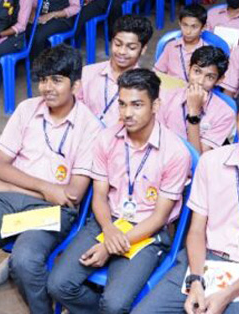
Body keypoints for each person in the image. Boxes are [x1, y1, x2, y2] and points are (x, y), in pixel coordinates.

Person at [131, 84, 239, 314]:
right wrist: (196, 281)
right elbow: (196, 231)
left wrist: (226, 294)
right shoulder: (211, 163)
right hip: (203, 261)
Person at [0, 45, 99, 310]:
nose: (47, 88)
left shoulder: (90, 126)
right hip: (7, 200)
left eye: (57, 80)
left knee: (25, 261)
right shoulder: (26, 109)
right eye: (43, 80)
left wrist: (8, 185)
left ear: (75, 85)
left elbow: (72, 194)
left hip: (49, 210)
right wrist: (45, 188)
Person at [47, 67, 191, 314]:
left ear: (155, 105)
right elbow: (99, 197)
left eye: (137, 105)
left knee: (114, 304)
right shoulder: (106, 138)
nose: (127, 113)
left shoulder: (176, 153)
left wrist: (108, 246)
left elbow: (159, 217)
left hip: (147, 231)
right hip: (108, 219)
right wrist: (109, 230)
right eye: (122, 104)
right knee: (57, 285)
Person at [78, 15, 153, 127]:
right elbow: (75, 110)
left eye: (131, 48)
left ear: (143, 49)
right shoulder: (88, 73)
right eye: (118, 44)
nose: (122, 51)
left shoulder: (146, 86)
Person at [158, 46, 234, 153]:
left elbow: (198, 157)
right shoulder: (167, 97)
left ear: (219, 80)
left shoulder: (225, 114)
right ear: (189, 69)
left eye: (210, 77)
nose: (200, 81)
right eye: (197, 71)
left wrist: (194, 112)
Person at [154, 4, 208, 82]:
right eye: (185, 25)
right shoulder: (171, 46)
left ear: (203, 27)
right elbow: (158, 72)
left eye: (194, 27)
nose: (188, 31)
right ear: (179, 23)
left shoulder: (207, 51)